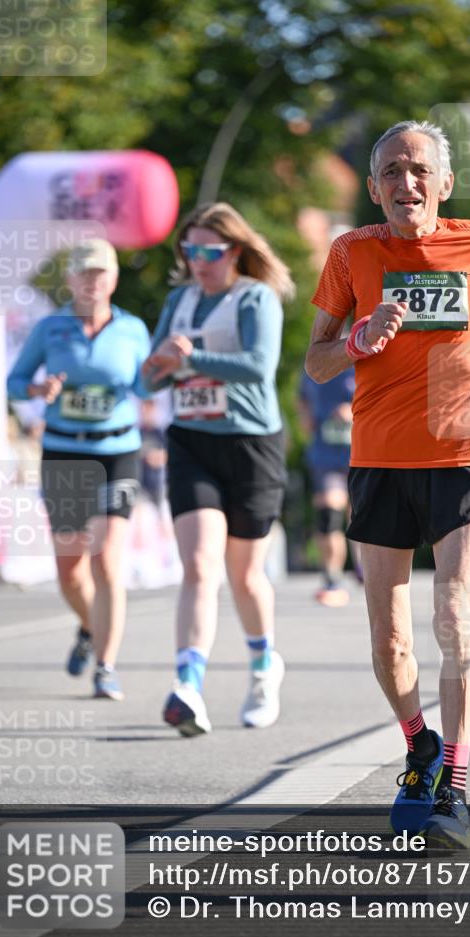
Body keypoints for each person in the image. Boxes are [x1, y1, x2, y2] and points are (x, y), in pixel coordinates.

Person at [305, 120, 470, 849]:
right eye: (389, 170)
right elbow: (315, 362)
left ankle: (453, 785)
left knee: (453, 611)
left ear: (443, 184)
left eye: (418, 169)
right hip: (379, 459)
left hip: (461, 453)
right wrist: (358, 337)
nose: (404, 182)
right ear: (373, 185)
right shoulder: (351, 253)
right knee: (389, 640)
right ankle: (416, 743)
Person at [142, 202, 293, 736]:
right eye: (190, 250)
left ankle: (262, 668)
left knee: (245, 575)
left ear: (235, 251)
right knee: (200, 566)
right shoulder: (180, 300)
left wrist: (187, 360)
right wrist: (155, 369)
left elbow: (257, 366)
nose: (198, 260)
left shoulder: (255, 297)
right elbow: (150, 381)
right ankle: (188, 686)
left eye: (210, 251)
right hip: (191, 442)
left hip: (251, 445)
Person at [7, 239, 150, 700]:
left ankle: (106, 666)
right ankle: (89, 628)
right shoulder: (50, 328)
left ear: (113, 278)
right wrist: (37, 387)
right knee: (70, 571)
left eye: (100, 273)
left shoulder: (132, 330)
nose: (92, 281)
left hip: (117, 451)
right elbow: (14, 381)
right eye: (84, 273)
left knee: (106, 559)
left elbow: (147, 383)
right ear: (70, 279)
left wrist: (164, 371)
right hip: (65, 452)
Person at [298, 367, 359, 605]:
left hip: (362, 454)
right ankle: (332, 576)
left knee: (361, 516)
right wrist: (306, 418)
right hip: (325, 455)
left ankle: (364, 569)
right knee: (328, 512)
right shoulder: (316, 362)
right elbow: (302, 396)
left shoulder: (365, 358)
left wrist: (354, 412)